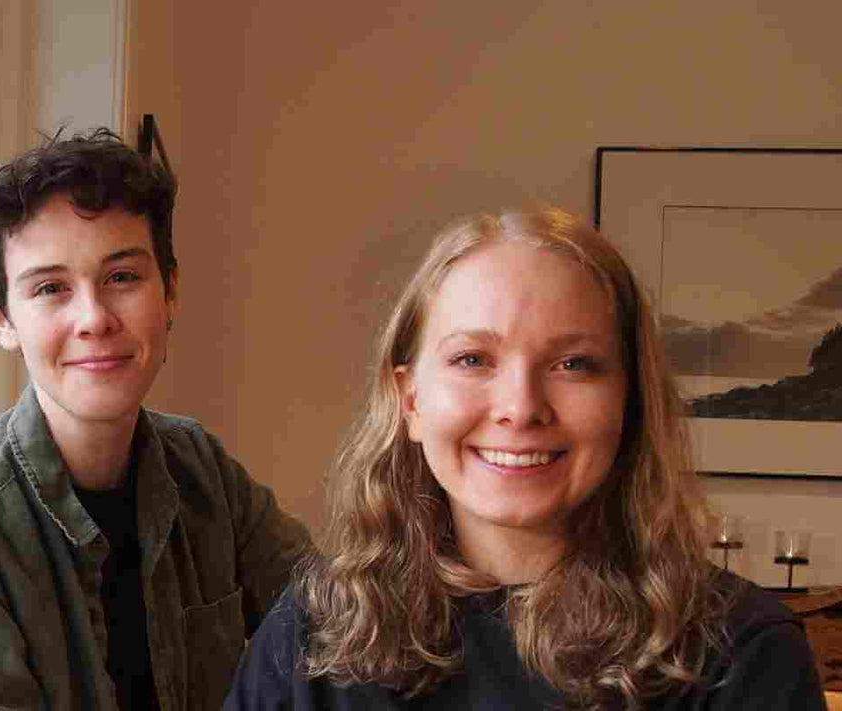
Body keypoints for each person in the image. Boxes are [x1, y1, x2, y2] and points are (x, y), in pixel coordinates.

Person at [225, 207, 826, 710]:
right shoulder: (313, 631)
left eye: (573, 364)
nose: (520, 407)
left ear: (631, 399)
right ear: (409, 398)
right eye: (472, 360)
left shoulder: (742, 653)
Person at [0, 129, 313, 710]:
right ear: (1, 319)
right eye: (50, 288)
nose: (94, 318)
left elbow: (343, 631)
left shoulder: (204, 473)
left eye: (122, 277)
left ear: (169, 290)